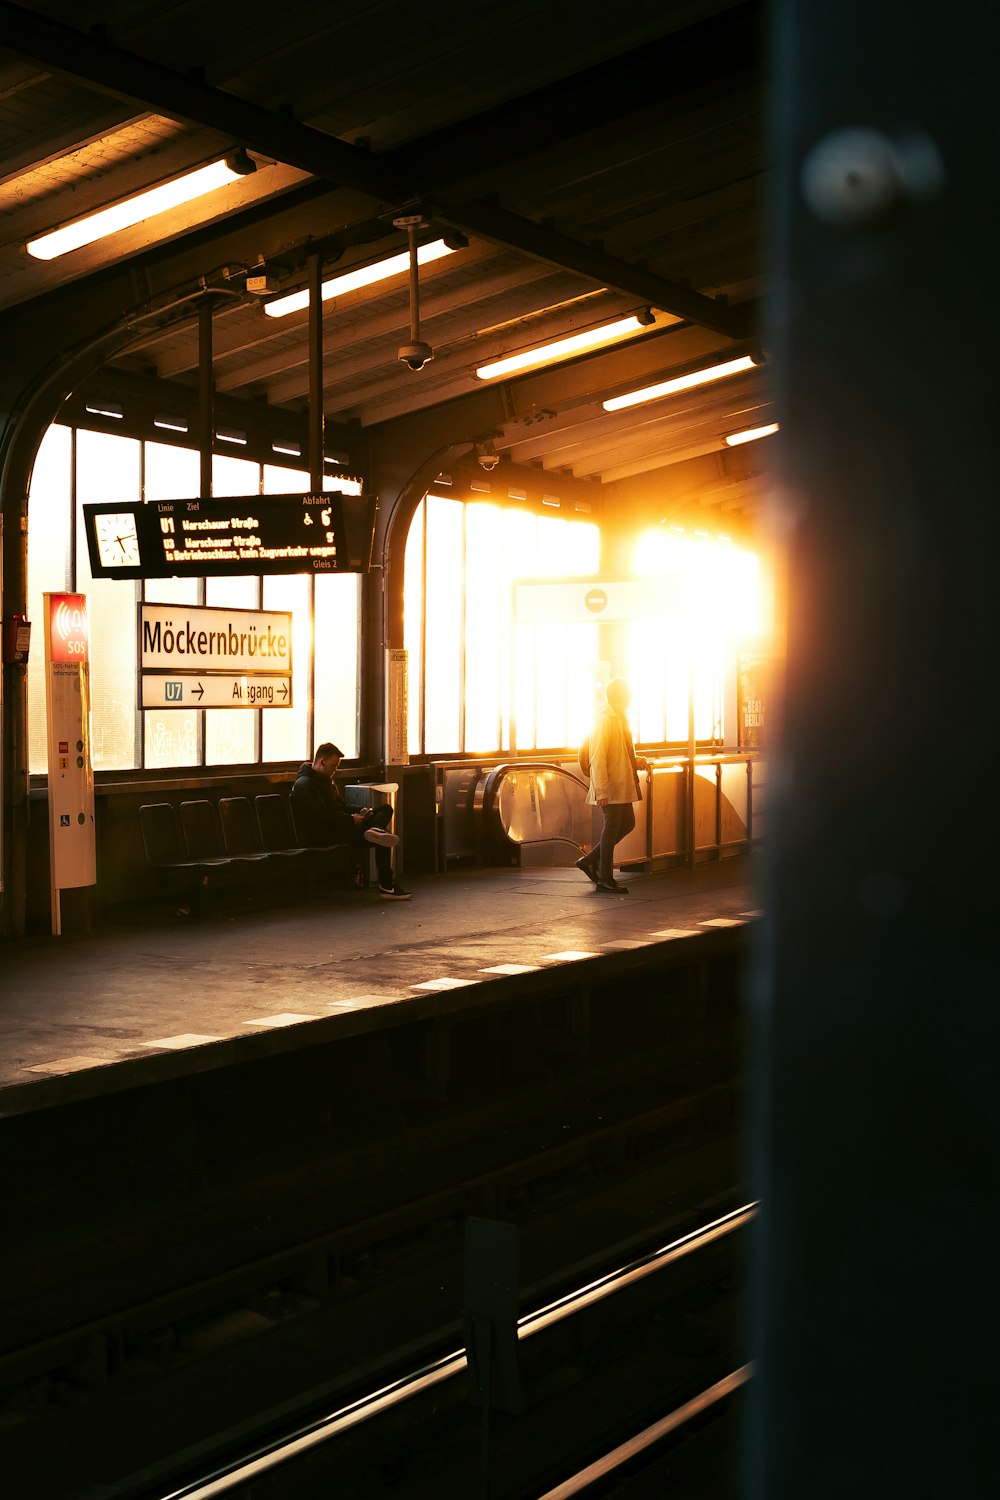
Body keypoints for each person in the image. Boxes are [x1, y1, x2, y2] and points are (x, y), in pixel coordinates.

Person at [290, 742, 412, 900]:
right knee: (383, 839)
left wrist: (359, 810)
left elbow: (341, 806)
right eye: (333, 766)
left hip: (340, 825)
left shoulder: (326, 781)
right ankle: (387, 885)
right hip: (323, 833)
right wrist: (350, 820)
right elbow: (321, 816)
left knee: (385, 809)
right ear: (322, 762)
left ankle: (374, 830)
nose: (335, 770)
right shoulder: (305, 784)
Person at [576, 679, 648, 894]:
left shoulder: (619, 717)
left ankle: (590, 861)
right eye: (628, 695)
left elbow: (620, 752)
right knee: (612, 827)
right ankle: (605, 877)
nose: (631, 699)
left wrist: (637, 760)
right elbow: (599, 756)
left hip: (621, 783)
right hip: (610, 785)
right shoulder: (605, 719)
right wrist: (602, 790)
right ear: (620, 697)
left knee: (627, 823)